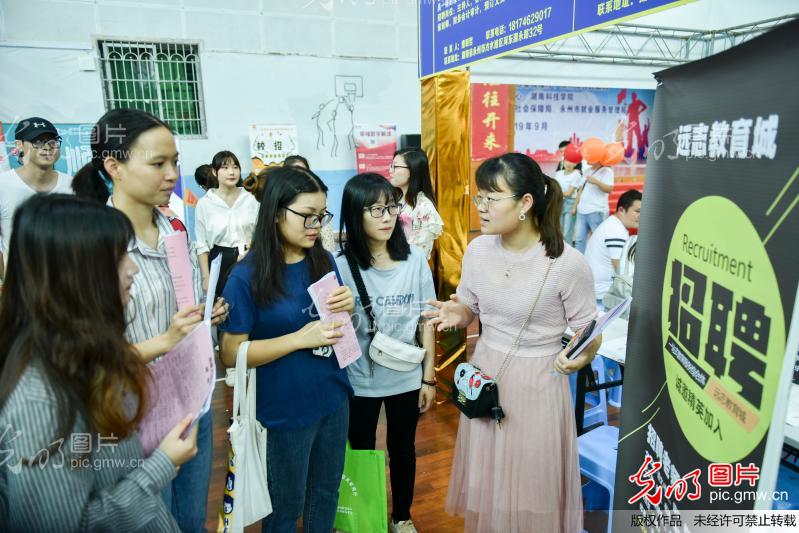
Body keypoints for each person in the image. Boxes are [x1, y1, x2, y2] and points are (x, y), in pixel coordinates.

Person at [0, 194, 199, 532]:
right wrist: (161, 465)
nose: (133, 269)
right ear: (78, 273)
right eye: (119, 257)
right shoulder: (41, 399)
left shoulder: (83, 350)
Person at [425, 152, 601, 533]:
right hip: (486, 376)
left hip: (538, 385)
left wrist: (580, 356)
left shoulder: (567, 263)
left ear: (525, 203)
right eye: (479, 197)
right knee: (492, 482)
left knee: (531, 486)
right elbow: (470, 306)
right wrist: (459, 313)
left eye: (491, 198)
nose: (481, 207)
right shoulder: (478, 250)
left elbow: (589, 332)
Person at [73, 108, 228, 532]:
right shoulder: (95, 244)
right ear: (114, 167)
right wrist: (166, 339)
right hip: (131, 412)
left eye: (174, 161)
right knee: (149, 519)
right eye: (158, 163)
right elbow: (88, 355)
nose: (171, 175)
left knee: (191, 520)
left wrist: (206, 314)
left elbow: (182, 308)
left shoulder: (174, 230)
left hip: (190, 398)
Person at [219, 166, 355, 533]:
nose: (316, 225)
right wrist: (298, 339)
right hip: (284, 411)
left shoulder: (322, 259)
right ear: (277, 212)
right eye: (307, 215)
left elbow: (336, 325)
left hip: (333, 397)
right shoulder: (246, 276)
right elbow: (231, 352)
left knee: (325, 494)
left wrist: (348, 306)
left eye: (322, 215)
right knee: (285, 507)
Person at [335, 173, 436, 533]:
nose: (387, 216)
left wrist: (429, 378)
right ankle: (364, 519)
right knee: (361, 451)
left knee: (403, 450)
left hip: (406, 375)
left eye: (391, 207)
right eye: (375, 209)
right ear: (355, 214)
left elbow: (427, 320)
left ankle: (401, 516)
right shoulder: (341, 265)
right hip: (358, 379)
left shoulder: (415, 260)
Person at [1, 117, 72, 264]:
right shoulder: (3, 185)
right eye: (38, 141)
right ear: (19, 145)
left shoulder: (73, 186)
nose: (47, 147)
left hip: (68, 275)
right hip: (20, 277)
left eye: (52, 141)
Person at [195, 150, 259, 300]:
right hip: (219, 261)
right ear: (214, 171)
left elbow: (262, 232)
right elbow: (202, 245)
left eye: (235, 167)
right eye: (225, 168)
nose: (231, 172)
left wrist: (252, 252)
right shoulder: (204, 204)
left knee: (252, 303)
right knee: (223, 307)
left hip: (250, 257)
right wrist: (206, 277)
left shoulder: (252, 199)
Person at [585, 188, 642, 307]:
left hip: (597, 293)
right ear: (621, 210)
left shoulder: (613, 224)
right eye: (637, 211)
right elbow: (622, 271)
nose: (640, 216)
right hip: (602, 297)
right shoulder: (616, 231)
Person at [389, 149, 443, 260]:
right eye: (391, 166)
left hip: (409, 266)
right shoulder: (397, 199)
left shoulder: (424, 207)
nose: (390, 170)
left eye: (395, 166)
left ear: (412, 171)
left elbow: (420, 253)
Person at [282, 154, 336, 252]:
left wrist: (328, 256)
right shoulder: (280, 201)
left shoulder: (319, 200)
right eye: (306, 213)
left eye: (304, 172)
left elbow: (327, 240)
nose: (317, 224)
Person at [573, 159, 615, 254]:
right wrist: (575, 206)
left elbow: (609, 189)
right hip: (581, 210)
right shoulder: (587, 170)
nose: (587, 159)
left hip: (597, 211)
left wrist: (596, 182)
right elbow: (580, 190)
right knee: (579, 240)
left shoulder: (607, 171)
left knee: (599, 240)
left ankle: (597, 260)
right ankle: (579, 260)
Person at [553, 156, 582, 246]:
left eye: (572, 161)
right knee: (559, 229)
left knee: (567, 231)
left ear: (576, 164)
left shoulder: (576, 175)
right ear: (563, 161)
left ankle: (568, 250)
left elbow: (569, 193)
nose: (568, 164)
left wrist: (557, 192)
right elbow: (554, 188)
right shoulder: (558, 173)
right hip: (559, 202)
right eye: (567, 161)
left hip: (570, 203)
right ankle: (560, 249)